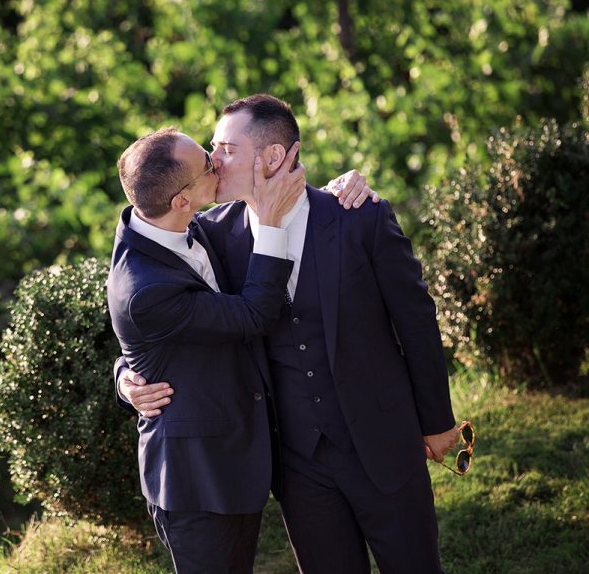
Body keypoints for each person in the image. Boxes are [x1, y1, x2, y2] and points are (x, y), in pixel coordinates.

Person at [119, 94, 457, 574]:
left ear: (273, 156)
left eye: (225, 149)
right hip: (296, 464)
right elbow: (148, 307)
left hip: (384, 442)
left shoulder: (358, 216)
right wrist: (127, 377)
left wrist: (437, 422)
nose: (213, 160)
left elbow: (416, 322)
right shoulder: (213, 236)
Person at [108, 126, 304, 573]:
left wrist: (342, 187)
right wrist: (271, 225)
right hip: (196, 480)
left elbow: (144, 343)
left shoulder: (169, 225)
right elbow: (252, 315)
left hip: (231, 457)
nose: (217, 163)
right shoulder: (145, 288)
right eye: (206, 166)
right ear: (181, 199)